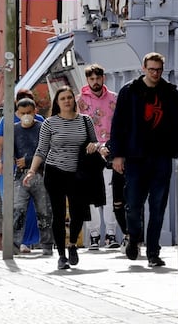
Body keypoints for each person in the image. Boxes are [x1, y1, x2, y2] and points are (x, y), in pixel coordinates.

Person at [109, 52, 178, 268]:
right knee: (133, 205)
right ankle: (134, 238)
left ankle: (153, 251)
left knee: (158, 206)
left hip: (161, 157)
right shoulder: (129, 91)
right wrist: (117, 155)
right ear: (143, 68)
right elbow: (118, 125)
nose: (155, 73)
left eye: (159, 70)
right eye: (151, 69)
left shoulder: (170, 93)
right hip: (135, 156)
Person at [24, 87, 101, 270]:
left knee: (78, 213)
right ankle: (61, 255)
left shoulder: (85, 120)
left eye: (69, 98)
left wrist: (93, 145)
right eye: (62, 99)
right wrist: (32, 171)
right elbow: (41, 150)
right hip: (55, 171)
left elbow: (94, 141)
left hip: (78, 173)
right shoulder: (50, 123)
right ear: (57, 103)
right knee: (58, 215)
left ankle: (72, 244)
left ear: (74, 100)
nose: (66, 101)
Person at [0, 87, 45, 252]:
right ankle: (12, 240)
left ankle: (24, 241)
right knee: (12, 205)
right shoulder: (7, 120)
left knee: (30, 206)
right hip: (10, 169)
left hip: (33, 169)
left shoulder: (39, 120)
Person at [76, 64, 120, 250]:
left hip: (110, 151)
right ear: (87, 80)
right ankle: (94, 235)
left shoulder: (115, 99)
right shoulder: (79, 101)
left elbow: (119, 125)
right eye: (91, 79)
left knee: (111, 194)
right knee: (91, 194)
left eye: (98, 78)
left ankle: (111, 234)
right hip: (89, 151)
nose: (95, 82)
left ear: (103, 78)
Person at [5, 98, 53, 255]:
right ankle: (13, 245)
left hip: (42, 175)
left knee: (44, 211)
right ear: (18, 114)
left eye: (29, 113)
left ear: (35, 112)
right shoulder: (13, 130)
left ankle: (47, 245)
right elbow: (7, 151)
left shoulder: (43, 128)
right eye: (23, 113)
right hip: (20, 176)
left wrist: (27, 160)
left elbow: (48, 152)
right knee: (18, 210)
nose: (26, 116)